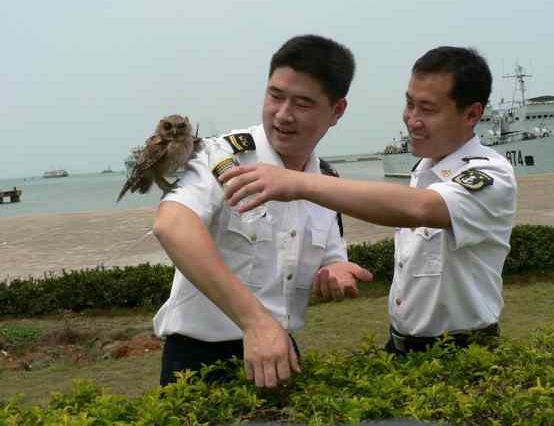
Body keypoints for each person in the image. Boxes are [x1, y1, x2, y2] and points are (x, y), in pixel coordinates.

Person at [221, 46, 518, 355]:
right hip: (400, 347)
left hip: (463, 351)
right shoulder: (423, 171)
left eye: (427, 110)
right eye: (409, 104)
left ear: (472, 114)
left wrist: (298, 182)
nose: (412, 120)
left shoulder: (489, 173)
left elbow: (421, 208)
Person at [152, 34, 373, 389]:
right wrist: (256, 322)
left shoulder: (326, 181)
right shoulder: (221, 155)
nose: (283, 115)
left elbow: (331, 254)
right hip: (200, 361)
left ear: (337, 111)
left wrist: (335, 269)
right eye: (275, 96)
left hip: (281, 351)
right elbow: (172, 226)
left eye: (302, 103)